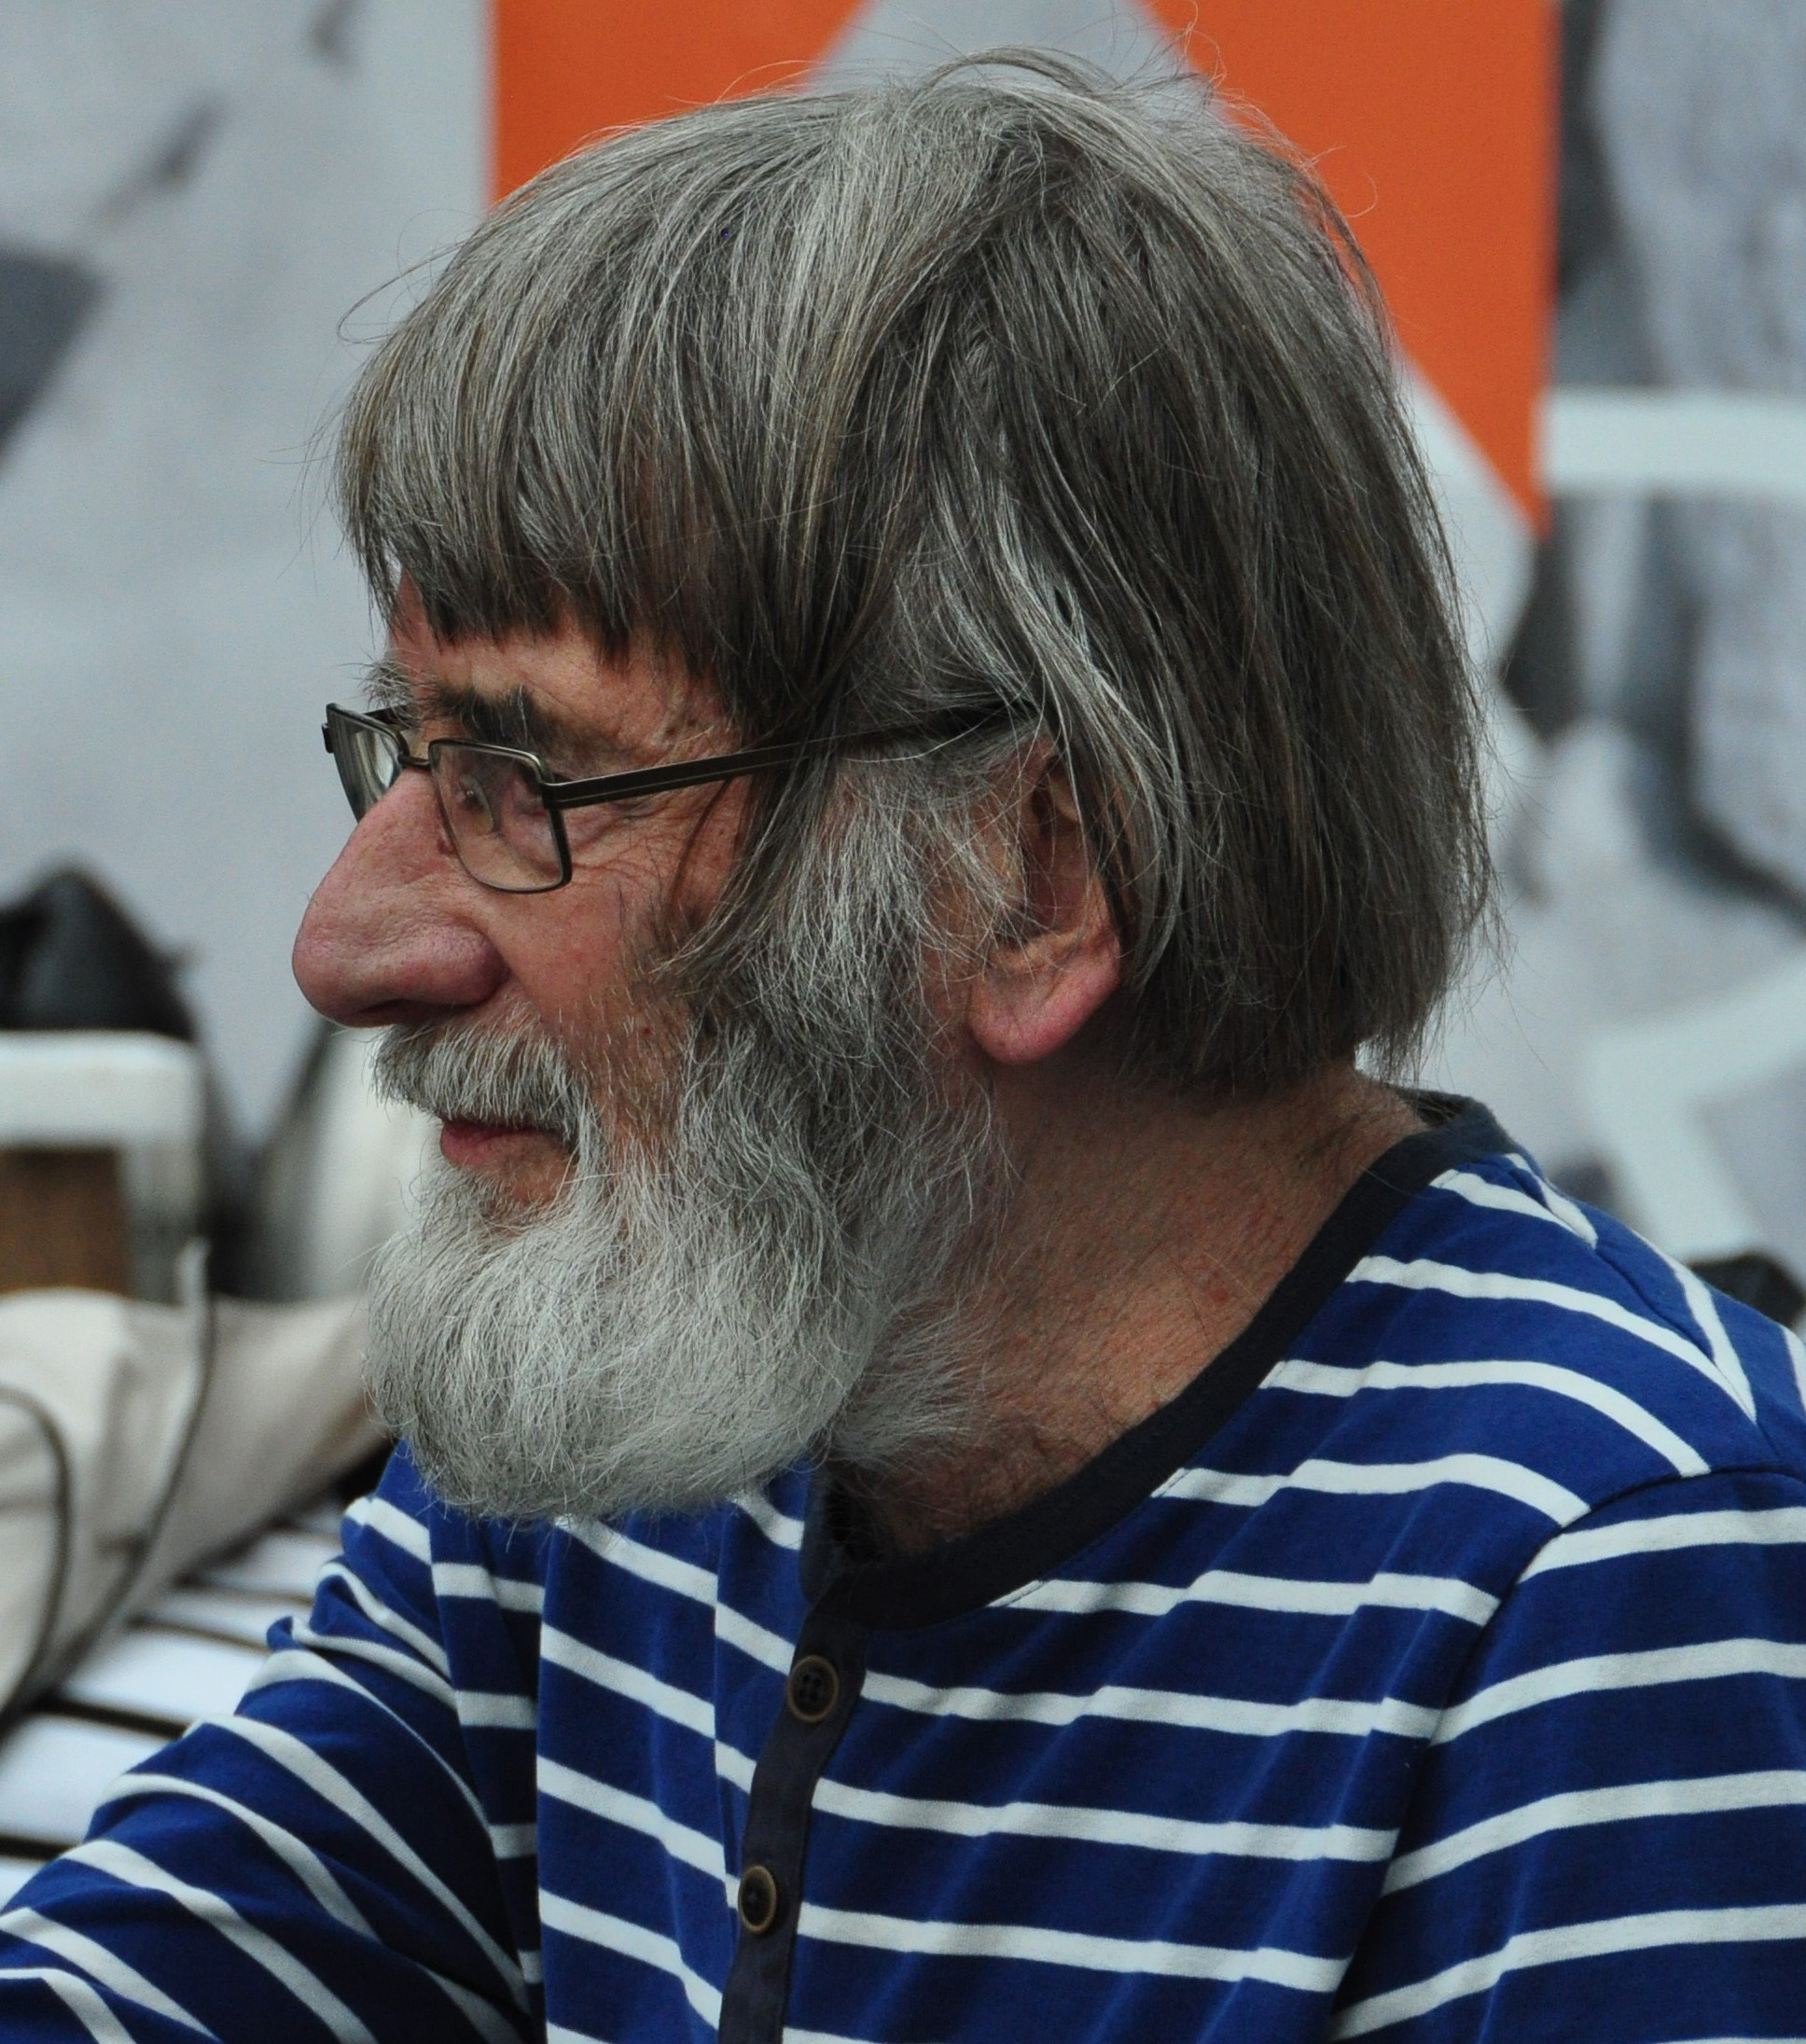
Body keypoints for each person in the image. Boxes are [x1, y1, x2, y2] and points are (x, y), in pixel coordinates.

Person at [4, 51, 1806, 2043]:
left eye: (524, 777)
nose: (347, 947)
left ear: (1026, 879)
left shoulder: (1611, 1588)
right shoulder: (660, 1395)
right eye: (407, 750)